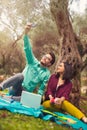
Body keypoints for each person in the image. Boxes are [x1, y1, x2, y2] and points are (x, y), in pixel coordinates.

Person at [0, 23, 55, 97]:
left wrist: (38, 97)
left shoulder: (46, 74)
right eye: (45, 56)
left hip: (24, 93)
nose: (45, 58)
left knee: (26, 99)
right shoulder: (32, 61)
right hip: (16, 87)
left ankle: (9, 98)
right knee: (20, 76)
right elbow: (27, 48)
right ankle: (1, 87)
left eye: (48, 58)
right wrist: (25, 33)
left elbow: (41, 89)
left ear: (49, 64)